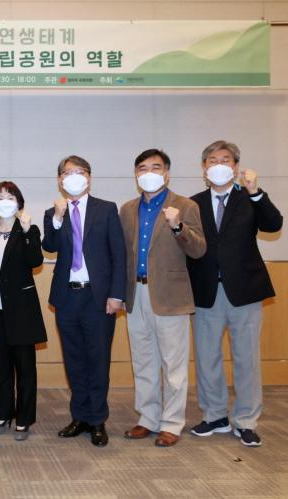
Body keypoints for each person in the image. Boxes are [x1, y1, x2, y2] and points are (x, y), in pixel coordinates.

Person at [187, 140, 283, 447]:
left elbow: (274, 224)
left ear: (236, 166)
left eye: (225, 159)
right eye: (212, 160)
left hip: (245, 291)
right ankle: (214, 415)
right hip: (205, 291)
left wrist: (256, 191)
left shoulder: (249, 198)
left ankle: (246, 420)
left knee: (246, 358)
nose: (219, 165)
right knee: (207, 358)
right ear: (204, 167)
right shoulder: (193, 203)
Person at [119, 148, 206, 447]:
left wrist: (178, 226)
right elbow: (123, 254)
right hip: (136, 293)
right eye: (142, 168)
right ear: (136, 175)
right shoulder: (127, 209)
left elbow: (198, 249)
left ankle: (171, 423)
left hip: (171, 295)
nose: (149, 173)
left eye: (156, 167)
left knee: (173, 366)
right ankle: (148, 418)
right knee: (143, 361)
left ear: (167, 173)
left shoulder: (185, 206)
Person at [42, 156, 126, 447]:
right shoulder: (53, 212)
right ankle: (79, 416)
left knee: (98, 359)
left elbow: (119, 254)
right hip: (67, 296)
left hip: (98, 297)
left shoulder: (106, 209)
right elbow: (49, 246)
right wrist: (57, 218)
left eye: (80, 172)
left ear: (89, 177)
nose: (74, 177)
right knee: (74, 360)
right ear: (60, 180)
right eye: (68, 172)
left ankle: (98, 419)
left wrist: (117, 294)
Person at [0, 181, 46, 441]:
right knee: (1, 368)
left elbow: (35, 261)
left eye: (10, 196)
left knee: (25, 369)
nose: (5, 201)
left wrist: (28, 232)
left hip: (21, 312)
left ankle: (24, 419)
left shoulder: (29, 230)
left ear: (19, 203)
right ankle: (3, 414)